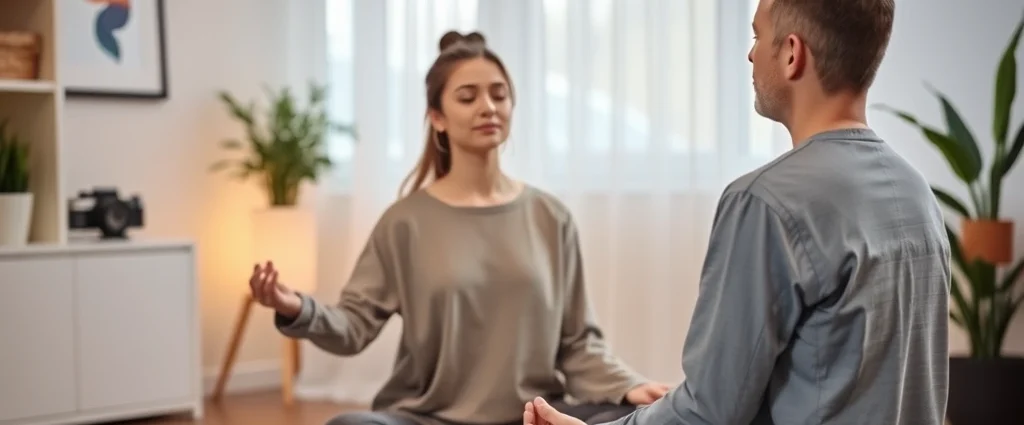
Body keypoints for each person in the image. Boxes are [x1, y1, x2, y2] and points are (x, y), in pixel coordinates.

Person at [525, 0, 952, 424]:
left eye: (756, 35)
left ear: (791, 53)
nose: (750, 53)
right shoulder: (918, 195)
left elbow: (709, 412)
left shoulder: (764, 202)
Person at [248, 30, 670, 425]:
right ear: (437, 117)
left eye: (499, 95)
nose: (488, 107)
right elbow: (353, 328)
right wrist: (295, 307)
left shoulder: (550, 217)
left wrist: (628, 385)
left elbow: (578, 343)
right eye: (468, 97)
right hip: (427, 417)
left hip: (530, 415)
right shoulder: (405, 223)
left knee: (628, 420)